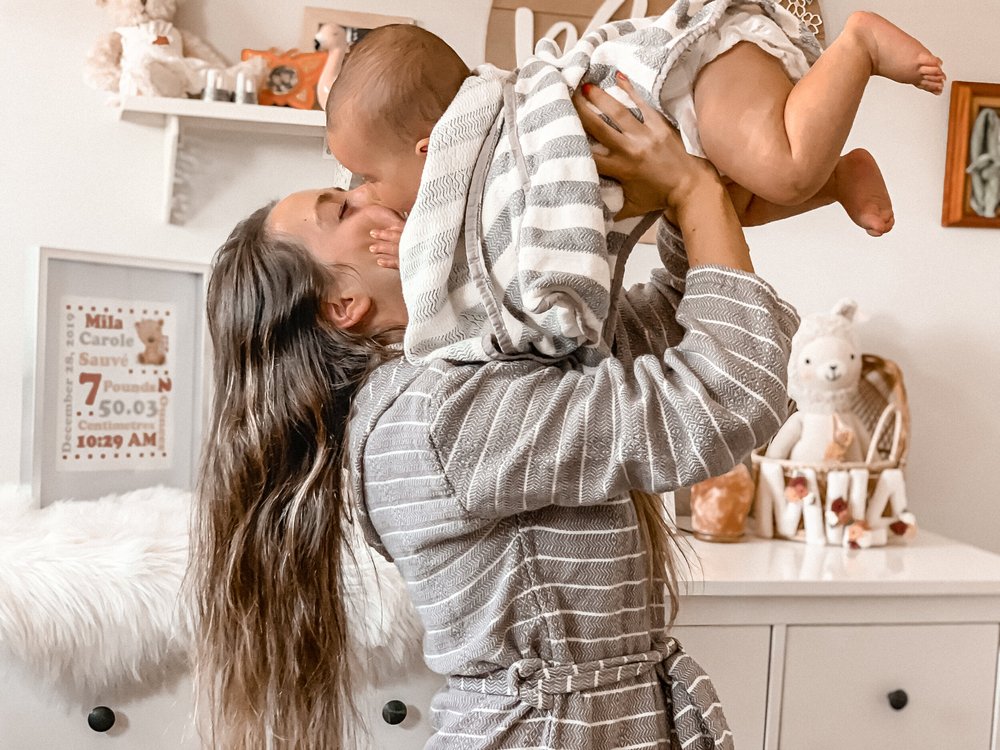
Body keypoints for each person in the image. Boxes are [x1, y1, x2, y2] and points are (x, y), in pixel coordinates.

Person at [190, 77, 798, 749]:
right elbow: (720, 399)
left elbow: (664, 334)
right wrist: (695, 194)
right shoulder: (435, 419)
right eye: (343, 205)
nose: (370, 193)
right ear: (342, 306)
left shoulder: (463, 364)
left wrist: (690, 200)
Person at [324, 8, 942, 365]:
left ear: (433, 151)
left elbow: (491, 251)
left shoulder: (502, 135)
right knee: (742, 202)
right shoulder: (488, 183)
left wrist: (423, 240)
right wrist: (423, 240)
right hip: (686, 125)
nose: (368, 195)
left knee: (784, 167)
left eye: (368, 178)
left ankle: (858, 43)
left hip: (690, 73)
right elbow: (492, 253)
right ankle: (837, 179)